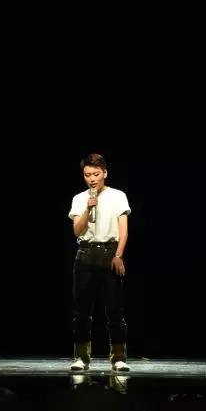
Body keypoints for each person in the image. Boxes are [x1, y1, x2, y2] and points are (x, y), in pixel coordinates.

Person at [67, 153, 131, 372]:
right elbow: (77, 230)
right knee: (82, 310)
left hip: (109, 252)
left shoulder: (118, 196)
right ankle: (81, 356)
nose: (92, 179)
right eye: (87, 175)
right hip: (85, 254)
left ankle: (118, 357)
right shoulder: (79, 198)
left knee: (114, 308)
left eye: (95, 174)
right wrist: (88, 208)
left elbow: (123, 230)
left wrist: (118, 255)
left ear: (105, 173)